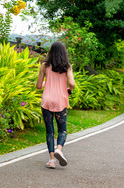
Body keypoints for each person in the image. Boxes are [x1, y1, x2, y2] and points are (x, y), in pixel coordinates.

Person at [36, 41, 75, 169]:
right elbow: (72, 83)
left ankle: (52, 160)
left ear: (51, 52)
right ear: (64, 53)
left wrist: (45, 84)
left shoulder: (44, 66)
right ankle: (59, 149)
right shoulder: (67, 66)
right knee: (62, 130)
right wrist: (69, 91)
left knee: (49, 131)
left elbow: (38, 86)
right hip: (60, 101)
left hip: (47, 101)